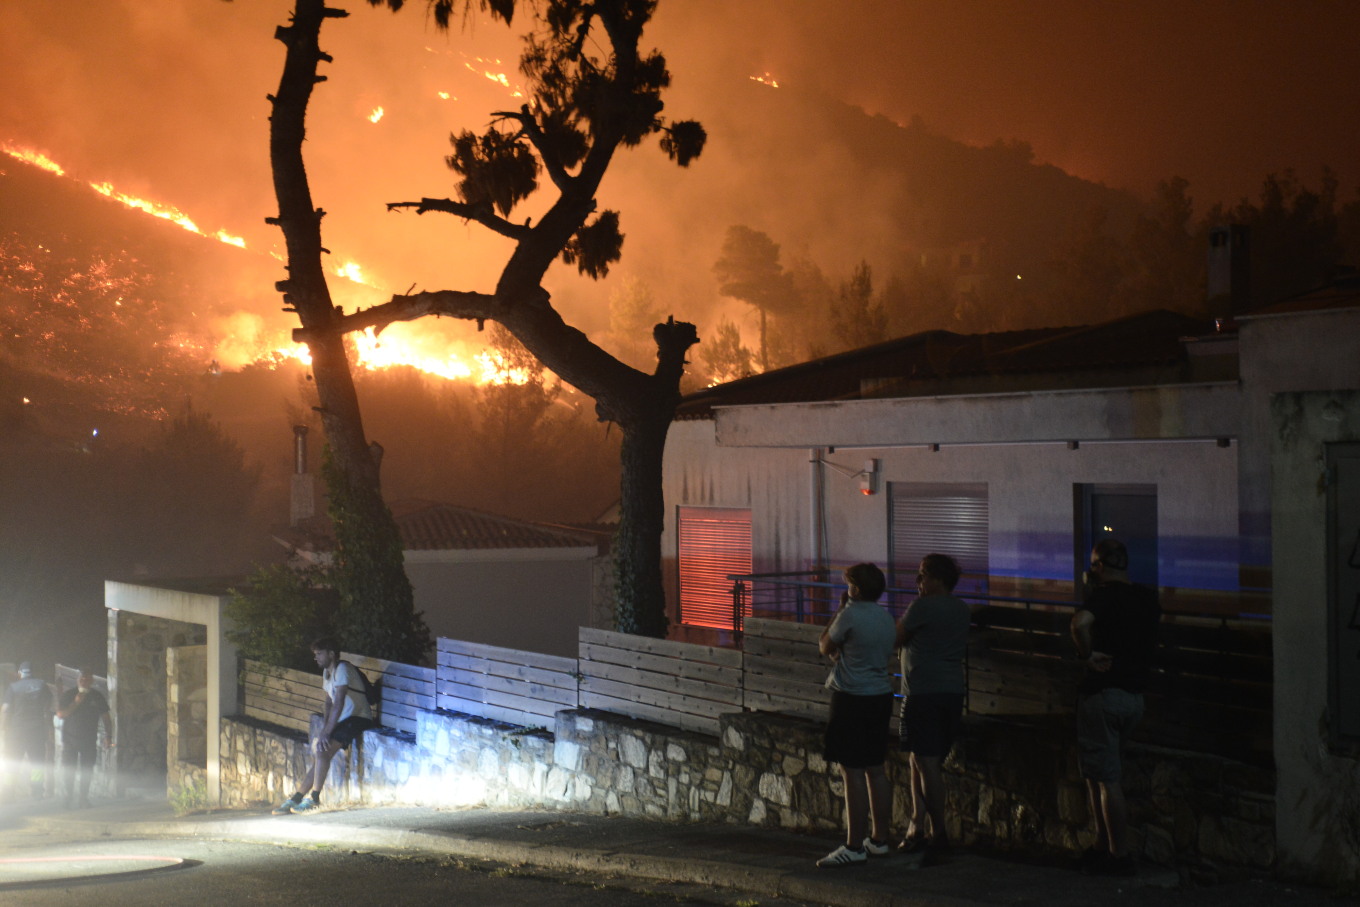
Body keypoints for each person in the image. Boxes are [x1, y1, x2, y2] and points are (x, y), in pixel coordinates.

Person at [1070, 538, 1161, 877]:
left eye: (1093, 565)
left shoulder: (1103, 597)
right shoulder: (1147, 597)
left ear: (1099, 567)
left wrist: (1086, 655)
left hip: (1104, 694)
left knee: (1106, 779)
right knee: (1099, 773)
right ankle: (1100, 846)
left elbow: (1079, 624)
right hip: (1134, 697)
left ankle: (1117, 855)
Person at [815, 562, 896, 867]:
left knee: (852, 771)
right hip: (880, 696)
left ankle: (853, 845)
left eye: (849, 584)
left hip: (851, 698)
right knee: (876, 769)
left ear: (856, 589)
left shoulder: (850, 614)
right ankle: (879, 839)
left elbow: (825, 645)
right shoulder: (886, 618)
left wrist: (839, 610)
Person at [895, 553, 971, 865]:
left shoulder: (922, 606)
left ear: (938, 579)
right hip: (952, 691)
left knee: (926, 763)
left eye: (923, 575)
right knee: (920, 758)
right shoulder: (961, 608)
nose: (919, 582)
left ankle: (938, 833)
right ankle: (916, 825)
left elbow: (896, 637)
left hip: (923, 693)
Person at [273, 637, 376, 814]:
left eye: (319, 654)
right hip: (345, 719)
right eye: (315, 654)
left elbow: (340, 701)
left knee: (322, 751)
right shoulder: (327, 673)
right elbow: (329, 702)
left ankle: (313, 798)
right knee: (321, 754)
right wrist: (326, 727)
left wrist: (327, 731)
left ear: (331, 653)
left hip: (358, 717)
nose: (316, 658)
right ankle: (297, 797)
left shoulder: (343, 669)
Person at [55, 668, 112, 809]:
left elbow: (106, 718)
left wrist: (108, 736)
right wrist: (76, 703)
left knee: (87, 770)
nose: (85, 681)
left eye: (88, 679)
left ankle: (83, 799)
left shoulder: (97, 696)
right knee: (69, 770)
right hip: (69, 740)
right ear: (77, 679)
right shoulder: (69, 694)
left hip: (89, 740)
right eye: (82, 679)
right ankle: (67, 798)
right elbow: (61, 714)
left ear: (92, 680)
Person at [2, 662, 56, 799]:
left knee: (13, 764)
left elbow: (5, 710)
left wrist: (3, 728)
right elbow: (49, 705)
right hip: (36, 731)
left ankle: (8, 794)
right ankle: (37, 793)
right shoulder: (42, 685)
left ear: (20, 673)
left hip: (16, 733)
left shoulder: (13, 687)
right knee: (37, 763)